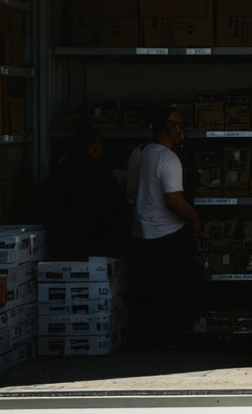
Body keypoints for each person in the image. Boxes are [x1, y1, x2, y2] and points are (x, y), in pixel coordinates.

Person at [126, 106, 201, 343]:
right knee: (175, 289)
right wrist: (194, 218)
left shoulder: (138, 153)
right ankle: (173, 338)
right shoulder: (168, 158)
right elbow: (174, 200)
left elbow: (131, 191)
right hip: (168, 234)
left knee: (148, 290)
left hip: (141, 233)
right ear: (163, 127)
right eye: (176, 124)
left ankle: (149, 339)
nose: (180, 130)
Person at [35, 124, 130, 260]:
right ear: (93, 145)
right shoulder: (96, 170)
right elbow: (115, 203)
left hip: (64, 238)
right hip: (92, 238)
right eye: (98, 143)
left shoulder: (62, 166)